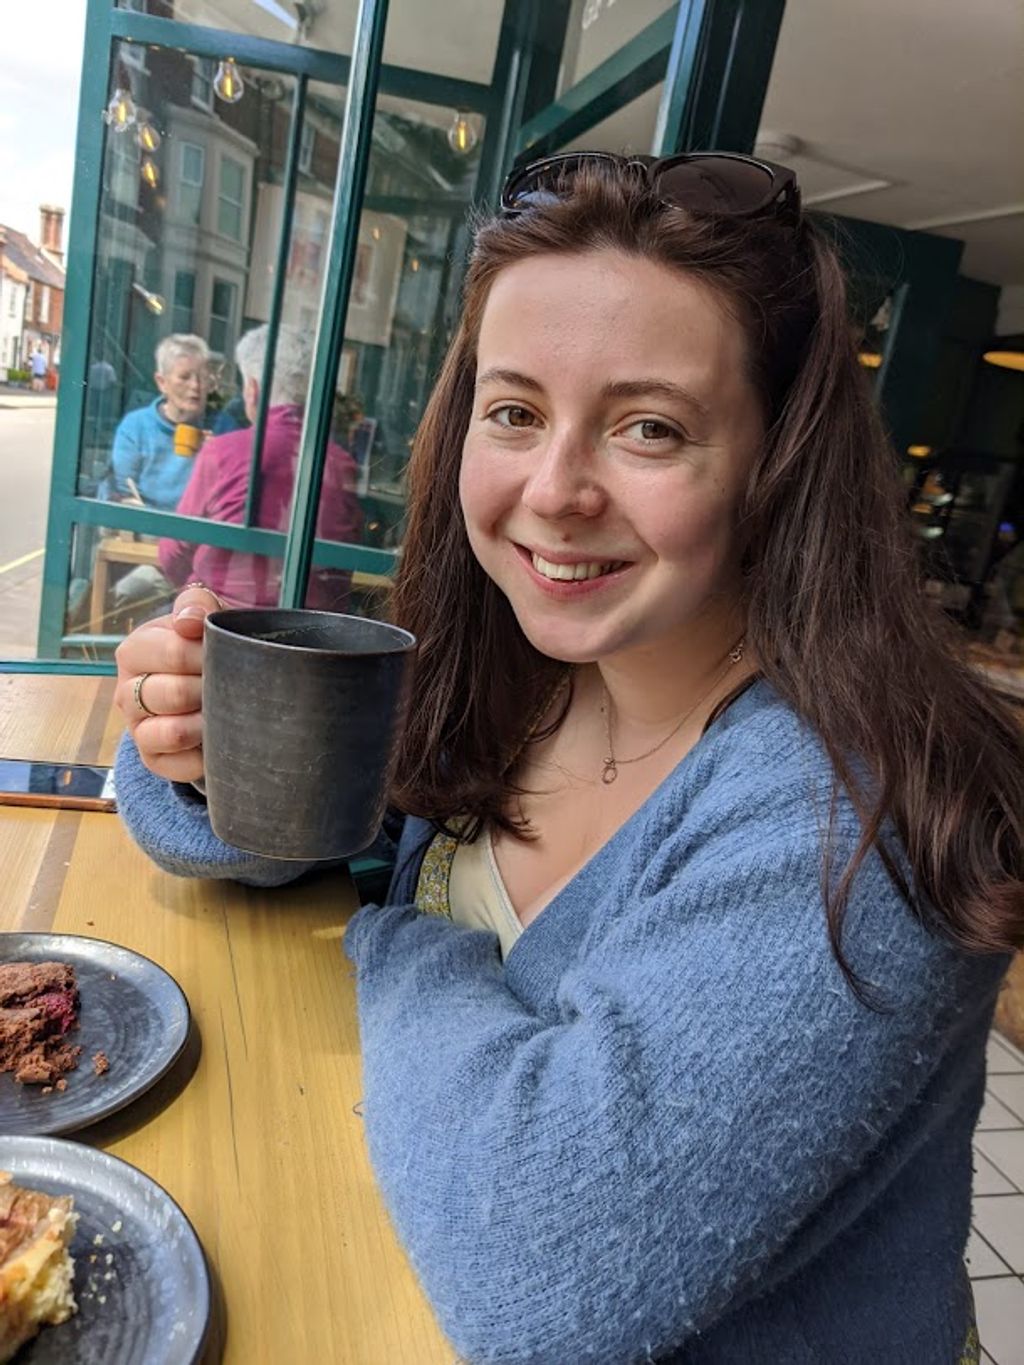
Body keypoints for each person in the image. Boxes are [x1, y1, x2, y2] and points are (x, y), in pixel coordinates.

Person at [111, 153, 1023, 1363]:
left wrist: (401, 940)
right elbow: (282, 837)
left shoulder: (856, 820)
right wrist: (185, 749)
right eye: (516, 412)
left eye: (649, 427)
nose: (553, 490)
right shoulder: (533, 668)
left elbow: (542, 1274)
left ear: (778, 464)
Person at [158, 324, 363, 609]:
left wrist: (192, 585)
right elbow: (342, 568)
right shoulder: (342, 465)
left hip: (223, 629)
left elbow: (173, 553)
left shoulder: (222, 451)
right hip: (313, 635)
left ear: (252, 390)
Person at [109, 333, 211, 511]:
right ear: (162, 382)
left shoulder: (222, 427)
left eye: (202, 378)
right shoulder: (136, 427)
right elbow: (124, 490)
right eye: (185, 377)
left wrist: (219, 455)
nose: (196, 386)